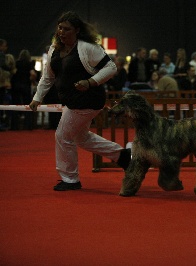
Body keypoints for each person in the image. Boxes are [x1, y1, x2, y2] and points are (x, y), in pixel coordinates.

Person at [29, 11, 131, 191]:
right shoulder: (54, 49)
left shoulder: (88, 48)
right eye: (60, 28)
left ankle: (70, 179)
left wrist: (91, 81)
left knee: (62, 136)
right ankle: (124, 156)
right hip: (73, 102)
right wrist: (37, 98)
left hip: (88, 100)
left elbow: (111, 68)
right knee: (81, 138)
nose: (61, 32)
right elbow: (47, 78)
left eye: (66, 29)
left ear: (77, 30)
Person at [10, 49, 36, 130]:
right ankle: (28, 126)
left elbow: (13, 73)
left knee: (15, 105)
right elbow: (33, 74)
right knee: (28, 106)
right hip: (25, 85)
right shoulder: (29, 63)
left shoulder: (16, 63)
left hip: (16, 86)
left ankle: (14, 126)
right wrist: (31, 80)